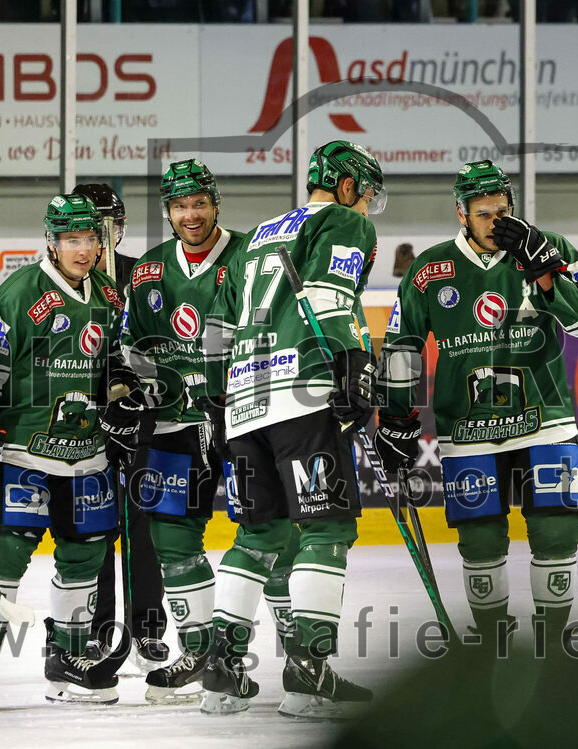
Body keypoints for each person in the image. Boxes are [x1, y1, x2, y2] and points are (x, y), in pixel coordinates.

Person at [375, 160, 578, 655]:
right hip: (467, 430)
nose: (495, 223)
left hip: (545, 421)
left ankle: (552, 639)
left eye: (502, 211)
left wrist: (544, 273)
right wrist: (395, 418)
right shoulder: (430, 268)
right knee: (479, 541)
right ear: (461, 213)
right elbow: (401, 348)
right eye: (483, 214)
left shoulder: (552, 248)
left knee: (557, 527)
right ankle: (495, 641)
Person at [200, 140, 383, 718]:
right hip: (302, 396)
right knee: (326, 531)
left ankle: (220, 674)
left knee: (261, 536)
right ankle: (308, 675)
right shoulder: (341, 221)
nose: (368, 204)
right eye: (367, 192)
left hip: (245, 401)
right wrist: (354, 365)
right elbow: (330, 299)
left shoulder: (258, 235)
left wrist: (216, 393)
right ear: (349, 184)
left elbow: (216, 326)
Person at [116, 159, 296, 704]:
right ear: (168, 212)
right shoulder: (147, 271)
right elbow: (130, 349)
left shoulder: (251, 258)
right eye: (179, 206)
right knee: (172, 536)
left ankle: (300, 650)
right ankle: (198, 652)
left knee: (271, 532)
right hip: (174, 421)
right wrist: (127, 389)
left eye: (199, 204)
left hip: (243, 417)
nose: (190, 215)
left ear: (216, 204)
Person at [0, 194, 124, 706]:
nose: (83, 249)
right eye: (72, 240)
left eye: (91, 239)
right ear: (51, 241)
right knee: (6, 552)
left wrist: (125, 395)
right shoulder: (20, 291)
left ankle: (68, 657)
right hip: (24, 450)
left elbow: (116, 364)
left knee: (85, 555)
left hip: (88, 452)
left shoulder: (109, 297)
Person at [71, 182, 171, 673]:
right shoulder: (66, 284)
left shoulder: (144, 276)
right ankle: (99, 629)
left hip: (139, 421)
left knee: (144, 525)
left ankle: (148, 629)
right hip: (85, 427)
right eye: (94, 228)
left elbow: (163, 345)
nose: (102, 239)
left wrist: (136, 400)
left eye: (110, 227)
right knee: (93, 529)